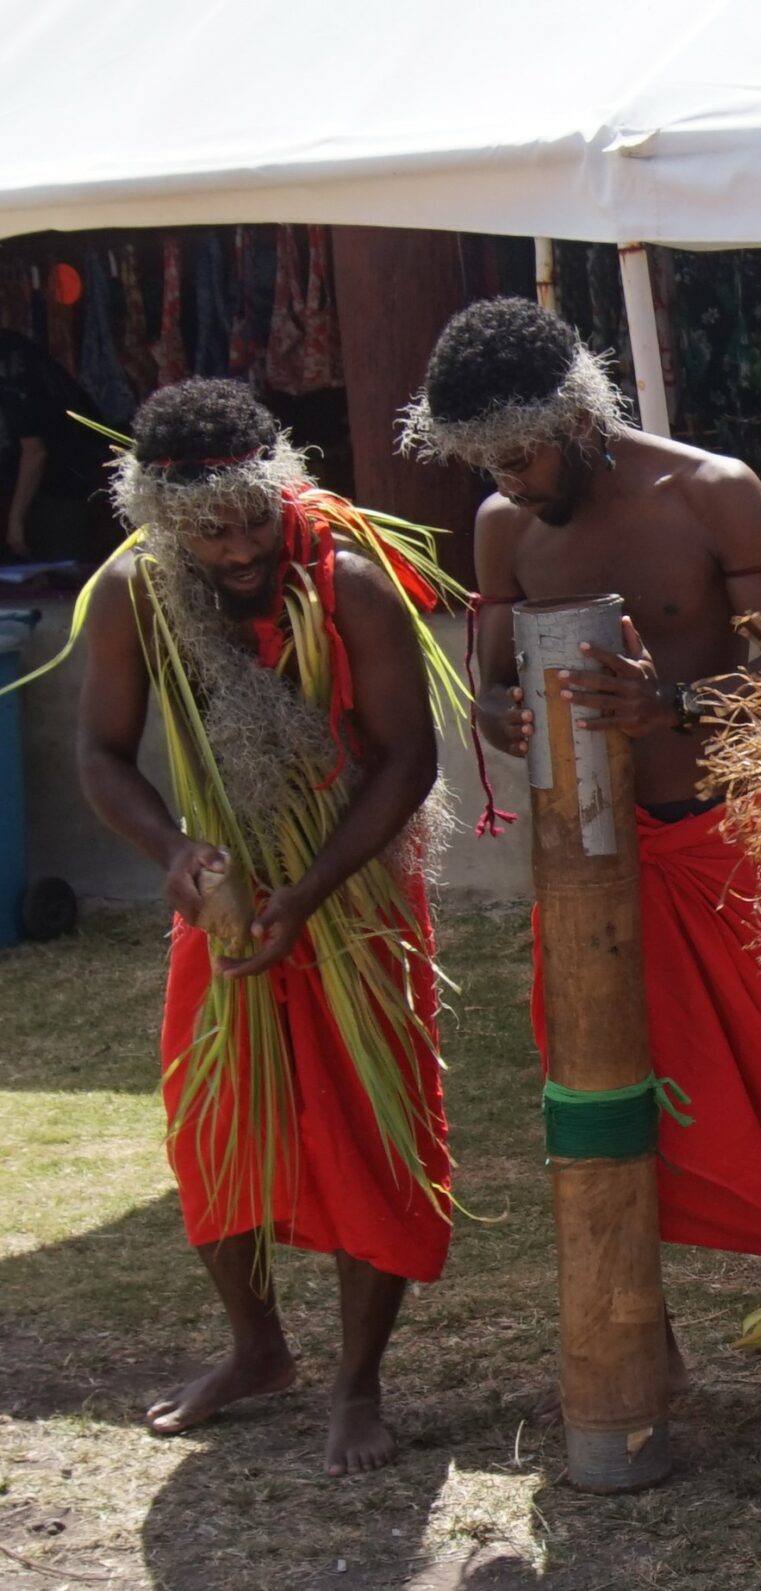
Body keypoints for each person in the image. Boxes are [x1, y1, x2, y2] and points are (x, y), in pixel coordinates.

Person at [399, 297, 761, 1468]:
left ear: (578, 414)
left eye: (521, 454)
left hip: (717, 837)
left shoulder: (713, 491)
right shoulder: (498, 528)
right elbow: (484, 688)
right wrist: (511, 712)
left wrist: (666, 704)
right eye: (486, 462)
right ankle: (646, 1335)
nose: (511, 482)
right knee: (597, 1098)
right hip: (582, 862)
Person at [39, 379, 465, 1474]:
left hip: (352, 892)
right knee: (212, 1123)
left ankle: (357, 1384)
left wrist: (311, 892)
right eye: (204, 528)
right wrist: (175, 856)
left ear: (282, 489)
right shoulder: (137, 590)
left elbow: (409, 762)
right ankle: (256, 1347)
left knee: (373, 1129)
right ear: (161, 519)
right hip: (224, 899)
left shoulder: (354, 589)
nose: (234, 547)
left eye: (248, 520)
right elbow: (99, 754)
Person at [0, 325, 106, 563]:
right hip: (28, 490)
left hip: (62, 488)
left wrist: (15, 521)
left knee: (57, 578)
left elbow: (35, 452)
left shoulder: (11, 363)